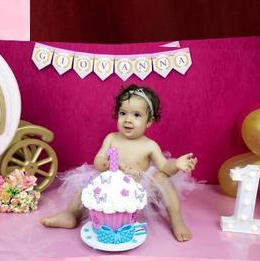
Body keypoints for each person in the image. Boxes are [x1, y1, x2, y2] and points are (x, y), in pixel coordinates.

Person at [41, 85, 198, 240]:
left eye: (136, 115)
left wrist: (176, 164)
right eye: (123, 113)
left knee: (163, 178)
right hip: (110, 184)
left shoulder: (149, 145)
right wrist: (106, 164)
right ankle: (71, 214)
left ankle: (177, 220)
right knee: (87, 184)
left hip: (137, 187)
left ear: (149, 122)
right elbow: (98, 160)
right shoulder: (111, 138)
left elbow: (164, 167)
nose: (128, 120)